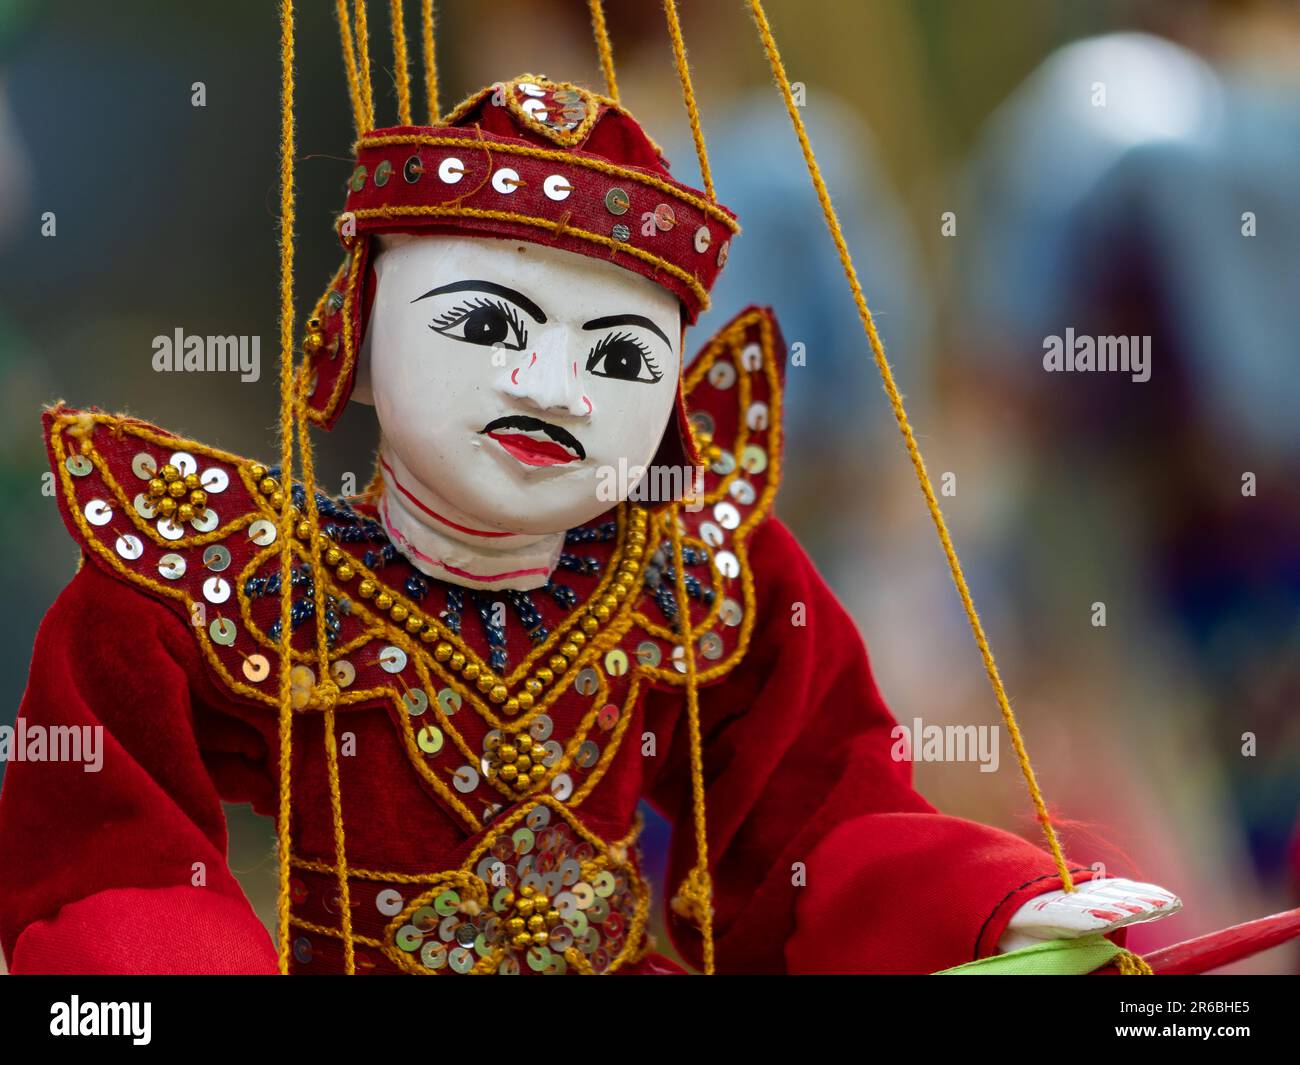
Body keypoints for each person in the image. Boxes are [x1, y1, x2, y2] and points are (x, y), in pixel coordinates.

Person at [0, 74, 1177, 975]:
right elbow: (115, 864)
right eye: (486, 325)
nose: (557, 389)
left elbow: (823, 812)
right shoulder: (229, 583)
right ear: (354, 337)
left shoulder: (703, 571)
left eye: (618, 356)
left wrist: (991, 902)